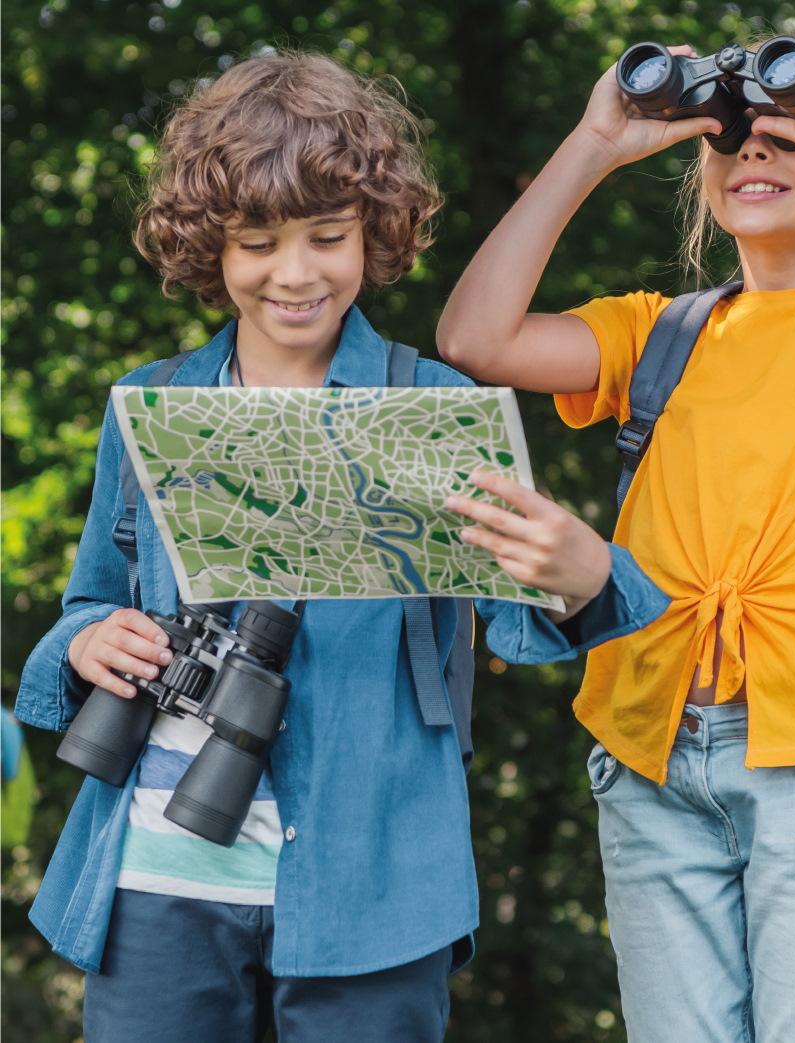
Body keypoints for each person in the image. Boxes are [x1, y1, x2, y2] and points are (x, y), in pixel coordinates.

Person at [14, 51, 669, 1043]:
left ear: (374, 231)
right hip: (154, 872)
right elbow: (84, 607)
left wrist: (583, 576)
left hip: (375, 879)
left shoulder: (432, 408)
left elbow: (523, 617)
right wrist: (86, 641)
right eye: (257, 242)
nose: (294, 271)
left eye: (328, 236)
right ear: (211, 247)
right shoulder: (147, 404)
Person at [436, 36, 795, 1043]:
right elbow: (473, 338)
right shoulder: (656, 331)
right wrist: (593, 141)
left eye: (792, 139)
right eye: (734, 141)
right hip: (650, 750)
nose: (755, 155)